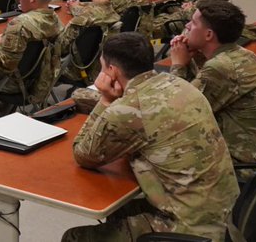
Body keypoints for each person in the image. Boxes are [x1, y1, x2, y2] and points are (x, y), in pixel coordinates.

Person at [61, 32, 238, 242]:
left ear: (112, 71)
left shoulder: (129, 109)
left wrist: (106, 99)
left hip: (187, 227)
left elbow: (83, 154)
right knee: (121, 209)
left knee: (74, 238)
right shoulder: (179, 84)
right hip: (228, 214)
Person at [169, 0, 256, 164]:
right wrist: (193, 57)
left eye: (193, 23)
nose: (187, 26)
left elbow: (176, 113)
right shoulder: (241, 53)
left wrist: (178, 65)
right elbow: (200, 92)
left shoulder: (221, 67)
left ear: (208, 35)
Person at [57, 0, 121, 85]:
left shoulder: (84, 19)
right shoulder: (111, 11)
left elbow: (61, 47)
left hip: (76, 69)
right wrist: (76, 8)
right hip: (98, 66)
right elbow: (94, 14)